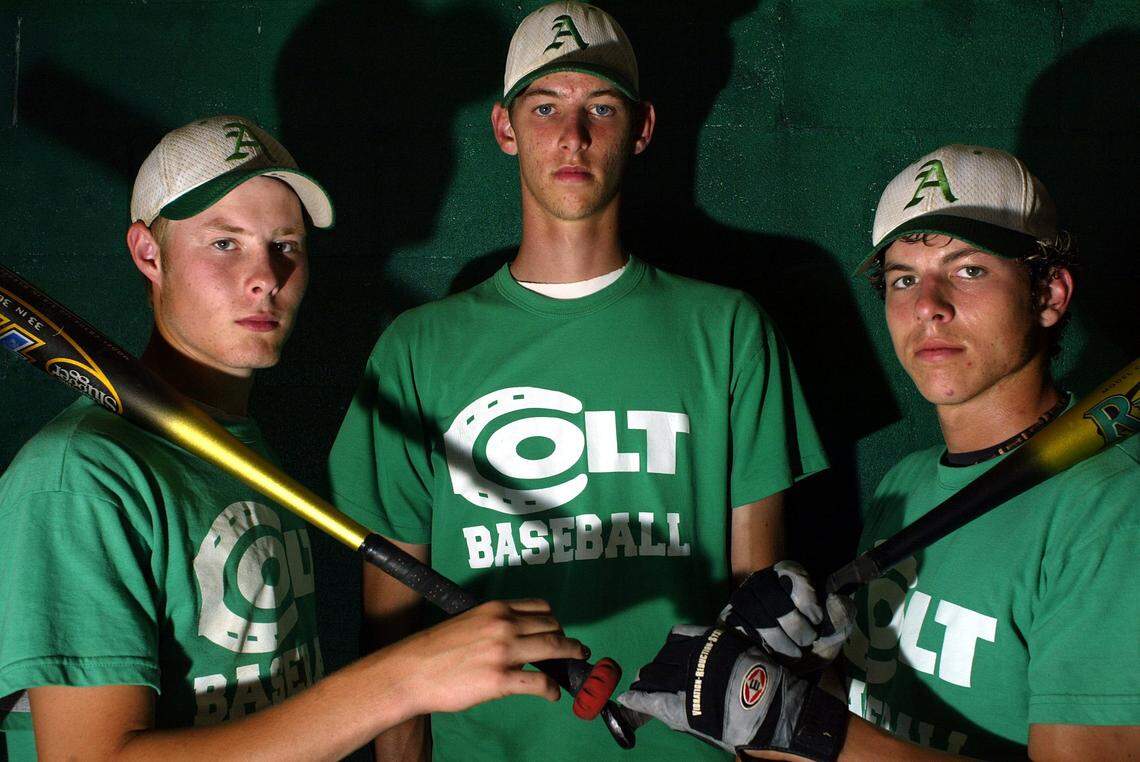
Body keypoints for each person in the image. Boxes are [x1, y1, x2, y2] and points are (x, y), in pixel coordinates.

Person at [327, 2, 827, 759]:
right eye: (544, 106)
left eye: (600, 106)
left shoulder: (728, 331)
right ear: (505, 128)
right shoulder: (414, 352)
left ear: (642, 128)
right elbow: (392, 642)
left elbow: (760, 618)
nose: (573, 135)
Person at [0, 115, 586, 761]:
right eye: (225, 243)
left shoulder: (244, 446)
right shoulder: (81, 476)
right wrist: (403, 680)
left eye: (287, 245)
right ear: (148, 252)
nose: (266, 277)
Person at [618, 145, 1140, 759]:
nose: (928, 306)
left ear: (1049, 294)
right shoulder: (906, 486)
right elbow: (879, 719)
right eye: (904, 278)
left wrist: (806, 728)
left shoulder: (1111, 513)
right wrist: (793, 673)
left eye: (969, 270)